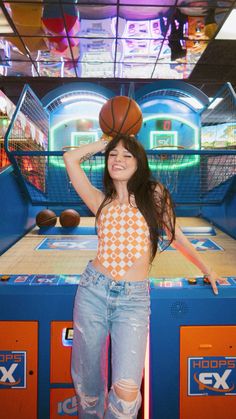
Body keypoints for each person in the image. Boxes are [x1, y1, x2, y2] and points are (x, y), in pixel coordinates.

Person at [63, 134, 221, 419]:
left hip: (133, 300)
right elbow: (70, 159)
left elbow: (175, 235)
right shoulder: (98, 200)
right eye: (113, 155)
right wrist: (105, 143)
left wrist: (205, 267)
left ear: (139, 163)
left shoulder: (154, 194)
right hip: (92, 293)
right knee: (87, 388)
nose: (118, 160)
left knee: (126, 393)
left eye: (127, 155)